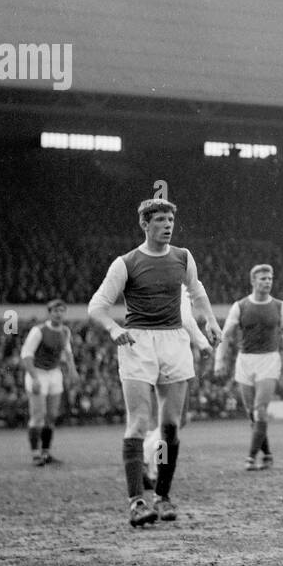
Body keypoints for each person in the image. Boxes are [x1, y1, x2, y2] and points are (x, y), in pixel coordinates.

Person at [88, 198, 222, 527]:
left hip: (174, 341)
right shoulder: (126, 263)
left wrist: (210, 321)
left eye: (171, 219)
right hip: (138, 342)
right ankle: (137, 501)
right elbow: (97, 305)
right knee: (138, 422)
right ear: (145, 225)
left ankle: (162, 496)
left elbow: (197, 292)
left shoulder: (183, 257)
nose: (167, 225)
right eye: (160, 220)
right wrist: (114, 328)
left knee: (171, 425)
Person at [214, 264, 283, 469]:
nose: (267, 282)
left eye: (270, 278)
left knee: (260, 409)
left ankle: (251, 457)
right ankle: (267, 454)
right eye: (263, 279)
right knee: (251, 413)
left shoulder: (280, 306)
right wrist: (219, 360)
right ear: (253, 281)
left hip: (269, 359)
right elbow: (225, 335)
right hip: (245, 360)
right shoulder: (240, 306)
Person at [144, 284, 213, 488]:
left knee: (173, 422)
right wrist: (203, 343)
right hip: (171, 359)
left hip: (157, 355)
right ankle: (150, 459)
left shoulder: (157, 282)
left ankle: (150, 459)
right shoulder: (178, 284)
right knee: (171, 423)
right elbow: (186, 319)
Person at [19, 298, 78, 465]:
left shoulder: (65, 331)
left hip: (54, 373)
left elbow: (68, 353)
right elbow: (26, 355)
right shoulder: (39, 331)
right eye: (55, 311)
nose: (59, 314)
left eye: (61, 311)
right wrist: (34, 377)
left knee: (51, 415)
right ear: (49, 313)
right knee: (38, 415)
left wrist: (72, 370)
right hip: (38, 372)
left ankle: (46, 452)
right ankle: (35, 453)